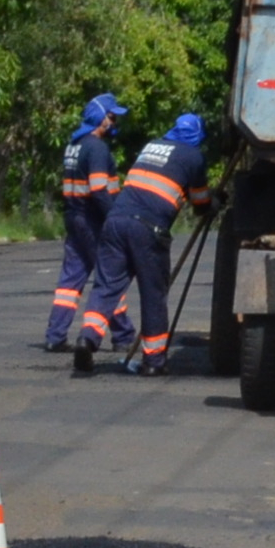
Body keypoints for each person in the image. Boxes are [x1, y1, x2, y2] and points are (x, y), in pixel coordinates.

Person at [73, 112, 212, 375]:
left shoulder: (152, 145)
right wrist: (214, 201)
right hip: (148, 229)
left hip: (115, 221)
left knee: (106, 287)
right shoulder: (194, 156)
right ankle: (154, 362)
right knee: (153, 295)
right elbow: (201, 204)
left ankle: (87, 338)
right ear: (198, 135)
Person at [44, 94, 123, 351]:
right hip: (92, 220)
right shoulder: (97, 148)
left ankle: (55, 336)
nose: (115, 122)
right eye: (112, 117)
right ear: (100, 118)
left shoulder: (74, 145)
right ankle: (124, 335)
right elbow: (99, 190)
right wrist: (114, 217)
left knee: (70, 280)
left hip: (73, 216)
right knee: (109, 277)